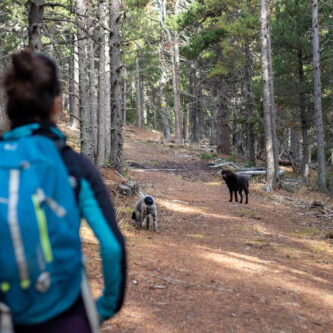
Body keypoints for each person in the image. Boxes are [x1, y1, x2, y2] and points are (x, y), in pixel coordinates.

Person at [0, 49, 126, 332]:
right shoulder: (73, 165)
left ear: (10, 106)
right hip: (64, 313)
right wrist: (104, 308)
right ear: (56, 105)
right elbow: (111, 246)